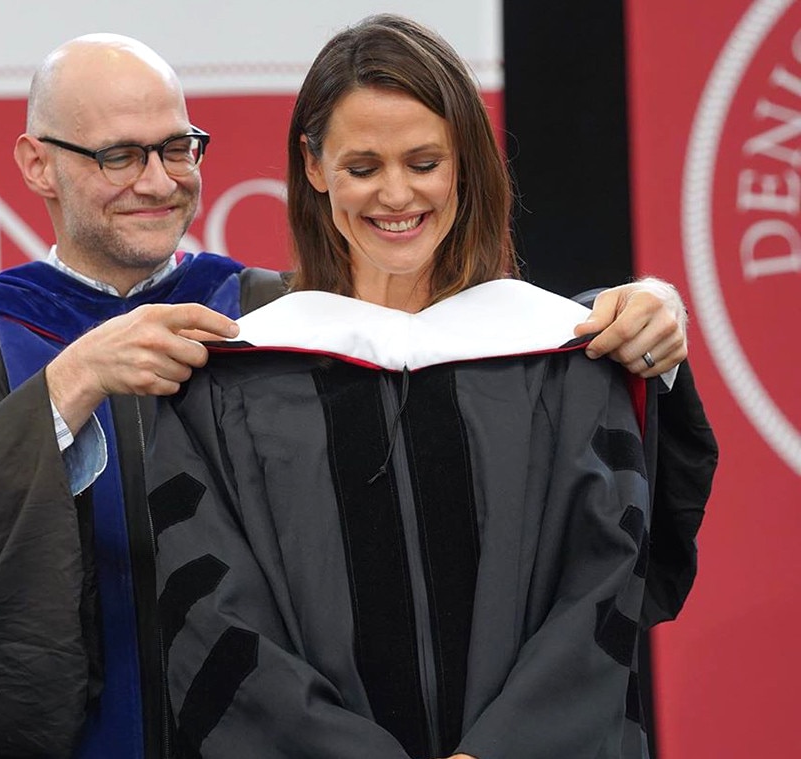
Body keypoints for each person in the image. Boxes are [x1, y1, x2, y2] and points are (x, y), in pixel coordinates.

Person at [0, 30, 705, 759]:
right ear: (38, 163)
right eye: (118, 154)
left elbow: (474, 380)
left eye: (177, 147)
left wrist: (636, 310)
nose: (156, 179)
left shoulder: (275, 325)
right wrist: (71, 383)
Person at [148, 14, 716, 759]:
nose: (395, 194)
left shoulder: (559, 358)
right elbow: (211, 621)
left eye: (424, 162)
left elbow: (608, 586)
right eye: (362, 166)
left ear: (464, 166)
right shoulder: (229, 383)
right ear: (314, 167)